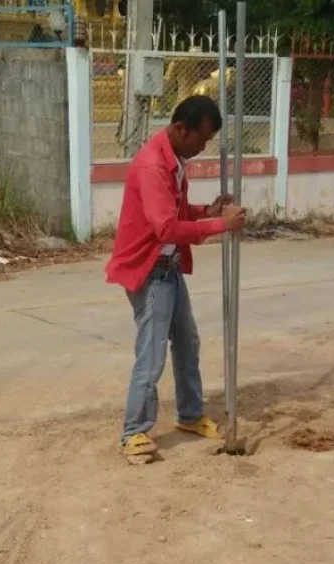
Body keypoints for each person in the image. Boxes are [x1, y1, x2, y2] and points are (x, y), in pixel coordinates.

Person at [105, 95, 247, 461]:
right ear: (181, 129)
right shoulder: (154, 165)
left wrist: (206, 210)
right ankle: (134, 432)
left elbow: (177, 210)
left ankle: (189, 415)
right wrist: (220, 225)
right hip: (150, 271)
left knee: (187, 341)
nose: (202, 148)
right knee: (152, 355)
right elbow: (166, 227)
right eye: (201, 140)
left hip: (167, 270)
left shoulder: (173, 160)